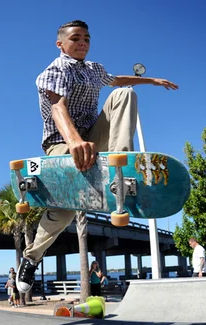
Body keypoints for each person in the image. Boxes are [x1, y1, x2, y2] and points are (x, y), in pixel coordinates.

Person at [16, 19, 178, 294]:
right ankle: (31, 259)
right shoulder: (54, 70)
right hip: (61, 144)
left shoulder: (94, 70)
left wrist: (150, 80)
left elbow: (117, 80)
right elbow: (58, 107)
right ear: (61, 44)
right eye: (76, 38)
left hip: (94, 137)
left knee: (124, 94)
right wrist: (76, 141)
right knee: (63, 212)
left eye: (87, 39)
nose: (83, 43)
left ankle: (120, 168)